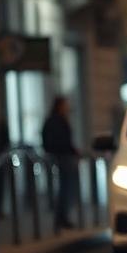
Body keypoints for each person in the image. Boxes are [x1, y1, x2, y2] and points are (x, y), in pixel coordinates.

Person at [42, 95, 80, 229]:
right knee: (65, 189)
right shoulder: (55, 121)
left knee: (66, 189)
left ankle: (62, 217)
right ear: (59, 106)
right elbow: (58, 141)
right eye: (65, 104)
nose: (67, 107)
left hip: (64, 157)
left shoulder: (58, 120)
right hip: (62, 158)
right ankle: (61, 218)